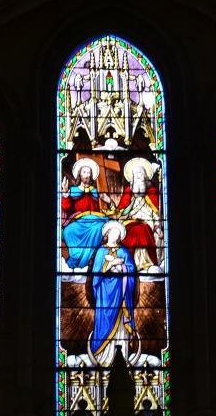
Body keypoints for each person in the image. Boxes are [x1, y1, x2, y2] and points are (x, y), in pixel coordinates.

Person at [88, 222, 137, 367]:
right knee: (103, 321)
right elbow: (96, 275)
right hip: (104, 295)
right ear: (107, 234)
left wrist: (122, 267)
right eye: (113, 232)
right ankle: (102, 358)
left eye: (118, 233)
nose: (115, 235)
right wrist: (109, 265)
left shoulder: (124, 251)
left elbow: (131, 270)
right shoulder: (101, 251)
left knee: (121, 324)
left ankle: (122, 358)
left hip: (121, 294)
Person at [61, 158, 110, 269]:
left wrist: (109, 201)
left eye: (89, 172)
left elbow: (103, 208)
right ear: (79, 174)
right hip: (79, 220)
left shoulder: (95, 191)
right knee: (69, 231)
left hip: (95, 219)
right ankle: (76, 260)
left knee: (99, 228)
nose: (87, 175)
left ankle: (91, 260)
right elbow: (66, 207)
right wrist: (65, 194)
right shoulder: (73, 190)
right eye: (84, 172)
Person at [117, 157, 163, 270]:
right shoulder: (128, 192)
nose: (138, 175)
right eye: (135, 173)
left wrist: (157, 227)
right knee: (137, 230)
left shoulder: (152, 193)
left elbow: (156, 214)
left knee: (143, 229)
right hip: (129, 223)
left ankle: (144, 263)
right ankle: (131, 263)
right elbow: (121, 213)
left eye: (141, 172)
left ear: (146, 176)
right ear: (131, 177)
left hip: (148, 224)